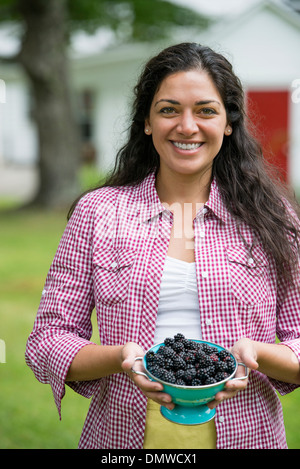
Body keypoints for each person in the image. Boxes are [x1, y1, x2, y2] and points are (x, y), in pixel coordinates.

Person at [25, 42, 300, 449]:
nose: (187, 126)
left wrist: (256, 354)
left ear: (228, 122)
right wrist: (121, 357)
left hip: (248, 436)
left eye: (205, 110)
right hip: (121, 438)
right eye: (169, 109)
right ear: (147, 122)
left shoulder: (271, 218)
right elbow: (47, 340)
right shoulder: (98, 213)